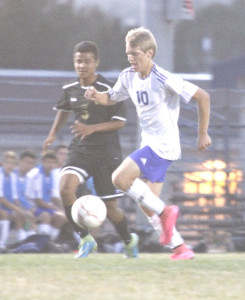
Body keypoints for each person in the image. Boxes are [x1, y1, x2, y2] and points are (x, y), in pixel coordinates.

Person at [85, 27, 212, 260]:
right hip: (151, 144)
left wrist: (202, 133)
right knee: (146, 203)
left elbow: (203, 96)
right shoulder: (128, 76)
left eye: (136, 54)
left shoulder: (163, 78)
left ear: (150, 53)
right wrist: (97, 96)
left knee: (119, 179)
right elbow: (111, 98)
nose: (131, 59)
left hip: (162, 146)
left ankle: (167, 212)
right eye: (128, 54)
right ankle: (180, 248)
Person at [42, 41, 138, 258]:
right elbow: (64, 110)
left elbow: (119, 122)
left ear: (96, 63)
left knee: (111, 209)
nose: (82, 65)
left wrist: (91, 128)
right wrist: (52, 134)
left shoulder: (110, 89)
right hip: (81, 149)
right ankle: (85, 240)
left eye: (87, 61)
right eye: (78, 61)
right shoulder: (70, 89)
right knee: (66, 188)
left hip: (107, 153)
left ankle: (129, 241)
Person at [26, 151, 67, 241]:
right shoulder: (36, 175)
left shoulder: (54, 175)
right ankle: (42, 241)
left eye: (53, 162)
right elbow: (38, 201)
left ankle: (51, 241)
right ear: (43, 162)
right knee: (45, 216)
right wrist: (56, 208)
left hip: (46, 206)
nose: (50, 164)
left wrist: (63, 209)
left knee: (62, 217)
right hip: (31, 206)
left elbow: (55, 196)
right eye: (48, 162)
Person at [0, 151, 29, 251]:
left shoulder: (12, 176)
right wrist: (17, 209)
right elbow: (1, 199)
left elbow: (15, 198)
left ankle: (23, 243)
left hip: (7, 207)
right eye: (8, 162)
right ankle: (2, 245)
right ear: (2, 163)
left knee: (20, 215)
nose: (10, 165)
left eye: (12, 163)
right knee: (4, 214)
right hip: (2, 207)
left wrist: (21, 210)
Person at [15, 150, 37, 238]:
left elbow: (31, 199)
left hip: (26, 209)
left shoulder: (31, 179)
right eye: (27, 163)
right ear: (20, 162)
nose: (29, 166)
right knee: (20, 214)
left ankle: (31, 238)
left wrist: (31, 209)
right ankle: (23, 240)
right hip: (12, 208)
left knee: (42, 216)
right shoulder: (11, 175)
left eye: (32, 163)